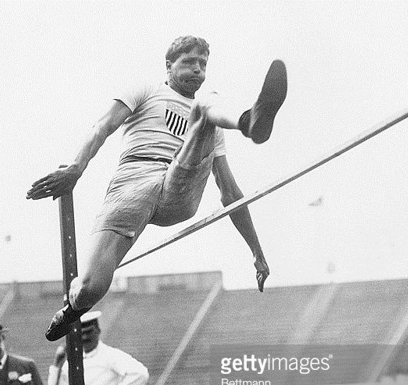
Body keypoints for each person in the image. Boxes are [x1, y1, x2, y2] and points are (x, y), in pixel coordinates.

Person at [27, 36, 288, 341]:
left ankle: (248, 121)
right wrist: (76, 168)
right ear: (168, 65)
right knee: (89, 288)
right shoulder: (147, 90)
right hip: (133, 180)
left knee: (206, 104)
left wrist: (256, 251)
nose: (198, 71)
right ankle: (72, 309)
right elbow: (103, 127)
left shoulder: (210, 119)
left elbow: (230, 192)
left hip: (179, 184)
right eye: (189, 62)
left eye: (203, 64)